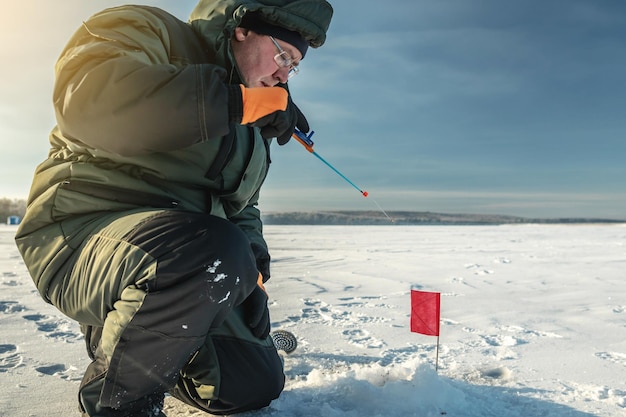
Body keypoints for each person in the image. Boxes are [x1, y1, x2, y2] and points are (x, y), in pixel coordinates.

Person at [15, 0, 333, 415]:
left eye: (292, 67)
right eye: (282, 56)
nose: (282, 75)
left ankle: (142, 340)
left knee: (249, 385)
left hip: (190, 254)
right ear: (242, 28)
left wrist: (252, 263)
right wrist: (234, 104)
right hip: (79, 236)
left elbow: (241, 206)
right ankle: (119, 401)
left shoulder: (252, 126)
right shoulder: (147, 30)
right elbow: (90, 103)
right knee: (207, 253)